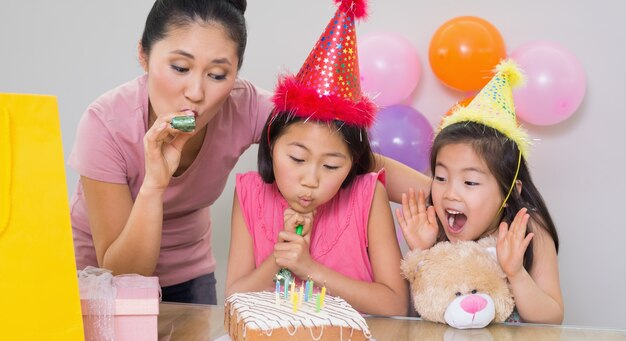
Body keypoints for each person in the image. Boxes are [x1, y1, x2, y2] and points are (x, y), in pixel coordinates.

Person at [68, 0, 428, 305]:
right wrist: (153, 186)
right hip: (100, 283)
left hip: (190, 276)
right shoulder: (106, 125)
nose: (195, 92)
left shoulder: (244, 106)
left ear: (236, 74)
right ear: (144, 55)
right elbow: (121, 275)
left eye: (218, 74)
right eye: (179, 68)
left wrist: (445, 193)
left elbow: (333, 147)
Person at [225, 0, 409, 316]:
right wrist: (280, 259)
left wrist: (308, 267)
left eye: (331, 166)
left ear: (353, 163)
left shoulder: (368, 195)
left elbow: (395, 304)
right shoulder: (249, 193)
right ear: (271, 143)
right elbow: (233, 298)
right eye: (297, 159)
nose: (311, 180)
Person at [396, 60, 564, 324]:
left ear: (510, 191)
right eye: (440, 177)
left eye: (470, 182)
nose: (450, 193)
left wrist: (516, 272)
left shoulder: (529, 229)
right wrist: (422, 253)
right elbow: (424, 316)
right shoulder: (433, 228)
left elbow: (552, 319)